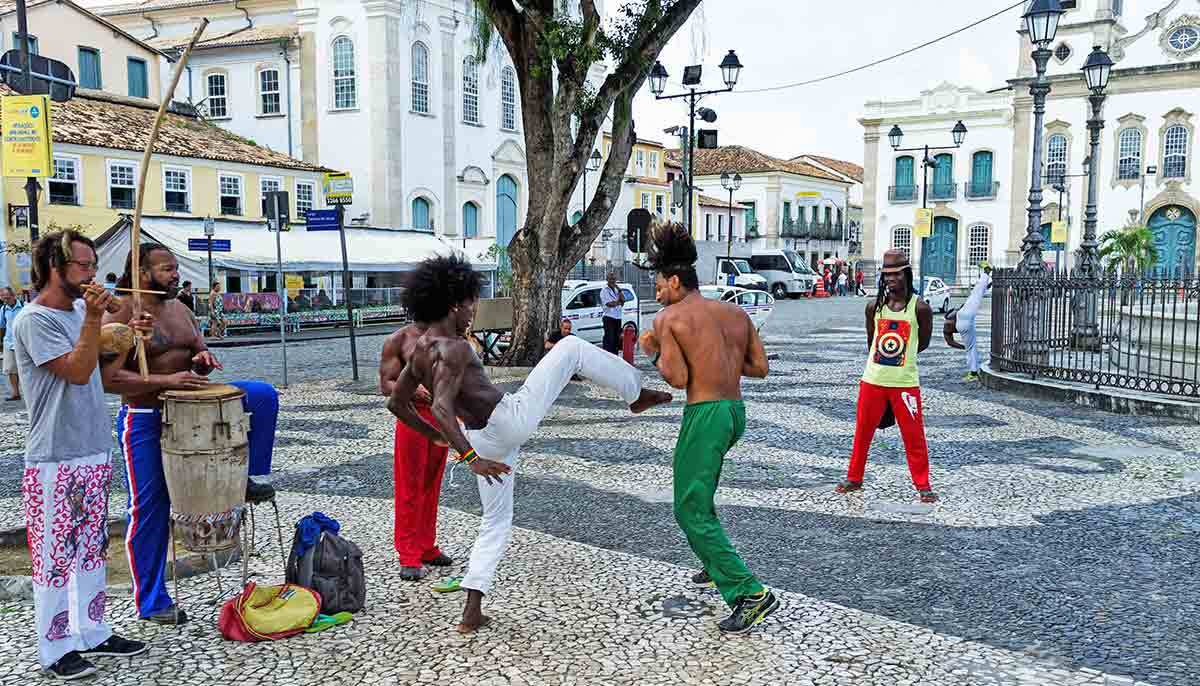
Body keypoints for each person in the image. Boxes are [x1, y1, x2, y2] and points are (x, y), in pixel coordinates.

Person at [387, 255, 670, 634]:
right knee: (569, 349)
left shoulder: (421, 347)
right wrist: (468, 458)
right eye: (471, 302)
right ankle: (634, 393)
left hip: (483, 437)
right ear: (454, 302)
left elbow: (396, 402)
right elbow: (439, 405)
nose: (474, 310)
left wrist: (437, 437)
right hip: (506, 421)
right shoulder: (455, 348)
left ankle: (472, 609)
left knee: (496, 520)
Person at [100, 244, 280, 625]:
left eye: (175, 267)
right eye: (166, 269)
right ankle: (151, 600)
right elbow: (110, 380)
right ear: (142, 271)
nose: (174, 274)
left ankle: (250, 476)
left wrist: (203, 362)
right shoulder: (120, 311)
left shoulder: (181, 308)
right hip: (147, 414)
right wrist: (166, 378)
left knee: (262, 396)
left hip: (192, 403)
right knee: (150, 508)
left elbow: (200, 357)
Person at [15, 231, 150, 679]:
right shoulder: (34, 320)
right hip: (54, 456)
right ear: (56, 266)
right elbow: (73, 372)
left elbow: (101, 375)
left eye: (93, 264)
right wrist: (94, 316)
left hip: (91, 447)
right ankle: (55, 647)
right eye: (84, 265)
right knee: (55, 555)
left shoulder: (77, 310)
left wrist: (130, 338)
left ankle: (93, 630)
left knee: (92, 550)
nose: (93, 273)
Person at [637, 221, 779, 634]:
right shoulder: (736, 312)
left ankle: (748, 593)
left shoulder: (669, 318)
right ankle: (710, 561)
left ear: (676, 280)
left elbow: (678, 379)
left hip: (705, 413)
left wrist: (653, 350)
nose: (658, 292)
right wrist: (718, 359)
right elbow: (760, 368)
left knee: (688, 506)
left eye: (660, 285)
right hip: (735, 413)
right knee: (702, 492)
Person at [836, 249, 937, 503]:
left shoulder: (920, 308)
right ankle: (854, 477)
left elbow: (921, 344)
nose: (890, 279)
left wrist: (902, 360)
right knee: (862, 432)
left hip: (905, 383)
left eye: (895, 274)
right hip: (872, 380)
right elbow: (872, 342)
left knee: (914, 436)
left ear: (906, 274)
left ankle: (923, 484)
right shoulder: (874, 306)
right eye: (886, 275)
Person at [379, 322, 454, 581]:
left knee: (432, 485)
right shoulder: (398, 339)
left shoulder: (446, 335)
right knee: (409, 485)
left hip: (440, 416)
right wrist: (410, 388)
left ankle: (426, 546)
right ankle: (408, 554)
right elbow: (385, 383)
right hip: (411, 418)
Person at [944, 261, 993, 382]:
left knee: (971, 348)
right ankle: (986, 272)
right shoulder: (958, 312)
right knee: (975, 294)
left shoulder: (947, 325)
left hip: (964, 326)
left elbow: (950, 342)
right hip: (964, 320)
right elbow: (974, 298)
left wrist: (963, 346)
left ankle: (973, 372)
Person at [1, 286, 24, 400]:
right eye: (4, 298)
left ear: (14, 296)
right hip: (9, 342)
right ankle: (16, 393)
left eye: (8, 298)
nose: (6, 301)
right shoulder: (3, 309)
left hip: (23, 342)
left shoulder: (25, 306)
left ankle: (30, 392)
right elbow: (2, 326)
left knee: (26, 368)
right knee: (11, 369)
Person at [599, 273, 625, 355]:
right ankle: (608, 356)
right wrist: (618, 302)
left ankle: (615, 356)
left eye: (614, 279)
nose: (612, 281)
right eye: (610, 279)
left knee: (616, 340)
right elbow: (609, 304)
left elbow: (623, 300)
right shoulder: (604, 290)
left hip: (617, 317)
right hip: (609, 317)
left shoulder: (617, 290)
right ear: (607, 280)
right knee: (609, 339)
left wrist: (620, 290)